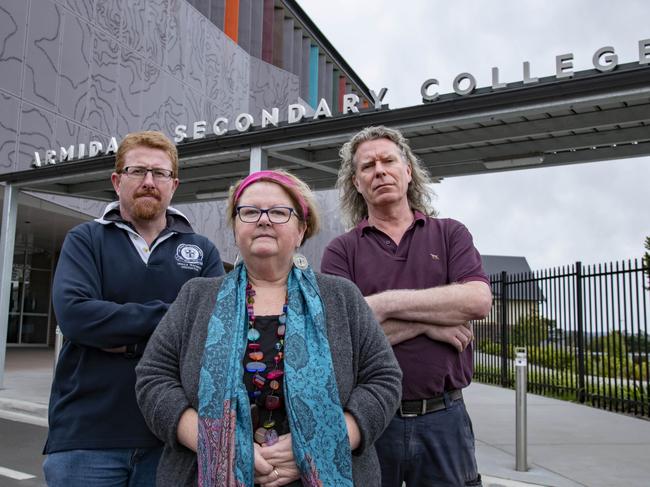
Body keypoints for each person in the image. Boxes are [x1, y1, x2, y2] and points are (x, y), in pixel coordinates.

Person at [135, 169, 402, 486]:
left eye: (278, 212)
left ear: (301, 229)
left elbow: (384, 380)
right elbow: (153, 378)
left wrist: (316, 444)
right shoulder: (196, 297)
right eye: (249, 212)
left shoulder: (341, 297)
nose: (263, 220)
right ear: (236, 229)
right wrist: (218, 444)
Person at [43, 131, 225, 486]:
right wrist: (174, 322)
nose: (148, 182)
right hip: (85, 437)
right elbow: (77, 317)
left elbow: (212, 327)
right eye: (137, 171)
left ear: (174, 184)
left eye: (159, 173)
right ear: (117, 180)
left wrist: (125, 338)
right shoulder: (85, 239)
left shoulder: (202, 250)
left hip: (170, 439)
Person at [321, 126, 493, 487]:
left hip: (444, 418)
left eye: (388, 161)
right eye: (367, 166)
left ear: (408, 170)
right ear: (356, 182)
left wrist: (381, 306)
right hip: (370, 418)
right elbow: (341, 336)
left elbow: (477, 300)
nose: (379, 171)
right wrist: (430, 323)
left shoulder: (449, 234)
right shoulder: (342, 251)